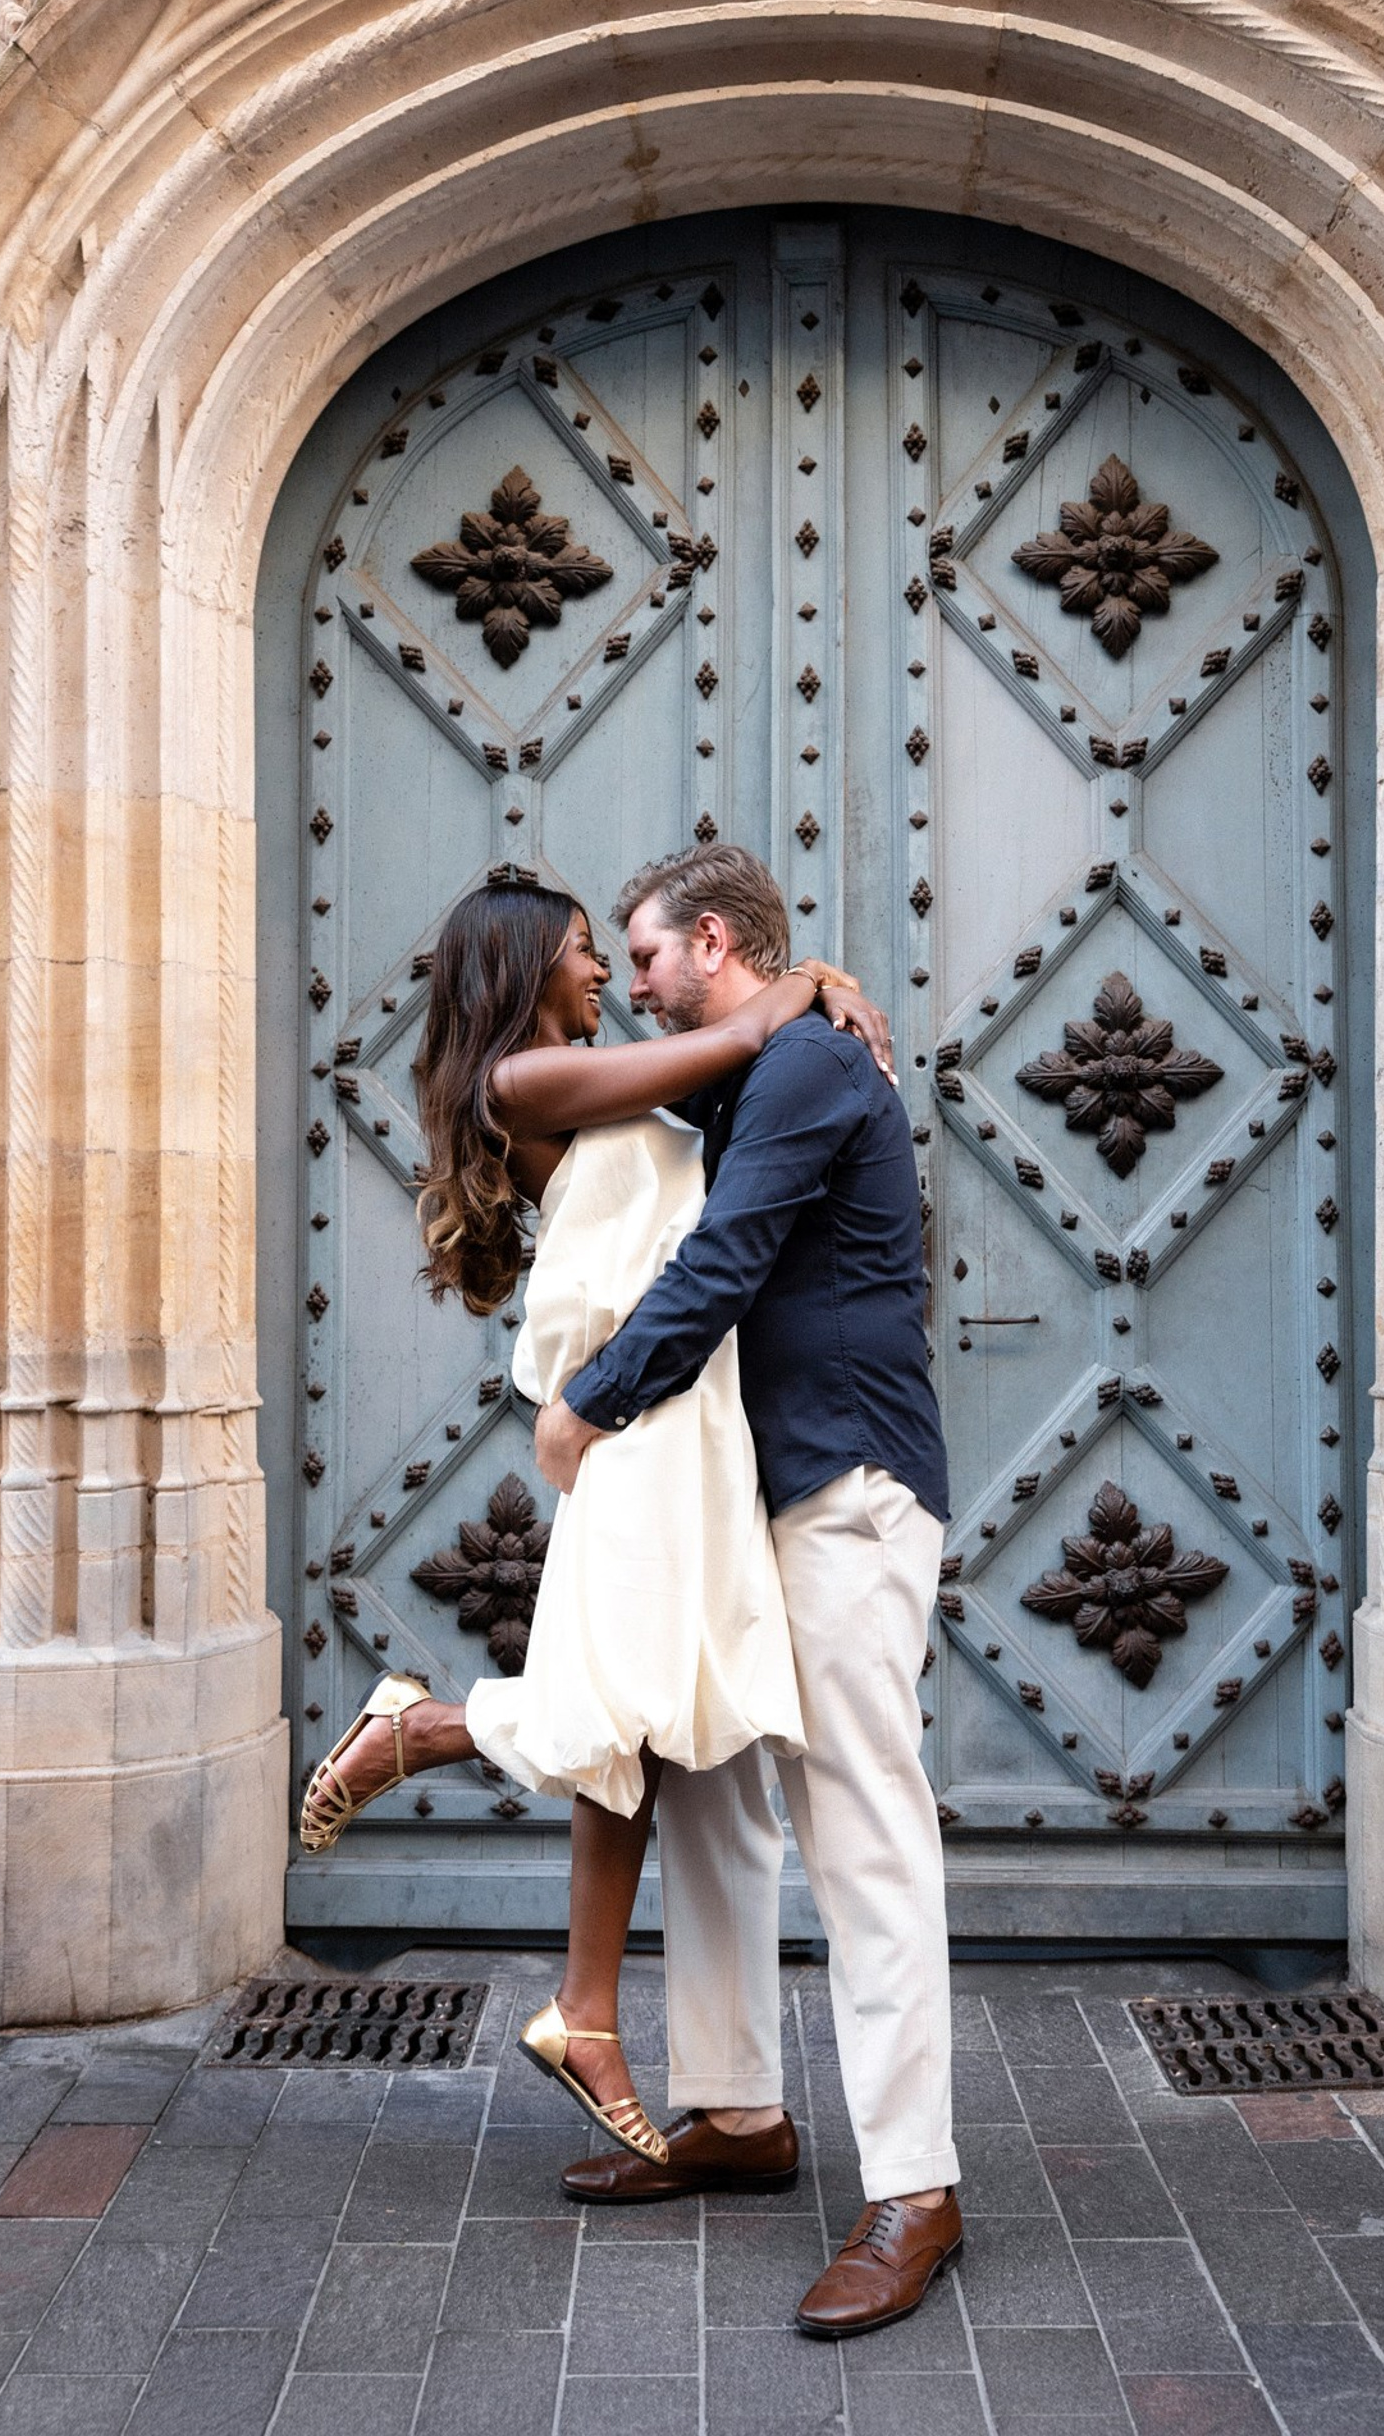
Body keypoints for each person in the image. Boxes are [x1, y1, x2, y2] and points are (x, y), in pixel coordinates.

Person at [296, 875, 888, 2174]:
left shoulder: (598, 1072)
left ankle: (673, 2068)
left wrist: (803, 1001)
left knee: (678, 1723)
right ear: (520, 970)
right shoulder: (528, 1081)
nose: (606, 975)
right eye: (583, 953)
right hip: (633, 1419)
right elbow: (742, 1040)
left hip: (686, 1416)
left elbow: (735, 1083)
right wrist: (819, 982)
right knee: (634, 1711)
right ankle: (429, 1736)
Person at [533, 843, 965, 2339]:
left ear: (709, 941)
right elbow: (635, 1103)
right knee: (709, 1789)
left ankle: (916, 2187)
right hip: (755, 1506)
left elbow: (724, 1258)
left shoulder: (809, 1077)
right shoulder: (767, 1054)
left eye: (647, 960)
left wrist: (589, 1400)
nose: (634, 991)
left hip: (847, 1491)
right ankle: (738, 2116)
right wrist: (798, 983)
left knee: (863, 1827)